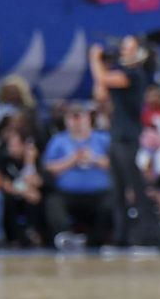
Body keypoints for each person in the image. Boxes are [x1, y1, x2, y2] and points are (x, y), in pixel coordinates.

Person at [91, 36, 156, 248]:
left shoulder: (135, 74)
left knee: (136, 188)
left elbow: (105, 79)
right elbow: (100, 93)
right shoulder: (120, 73)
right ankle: (122, 237)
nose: (123, 51)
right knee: (117, 189)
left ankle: (147, 235)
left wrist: (94, 60)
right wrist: (102, 70)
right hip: (116, 136)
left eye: (128, 48)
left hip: (129, 139)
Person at [43, 105, 113, 248]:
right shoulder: (58, 140)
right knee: (53, 202)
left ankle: (97, 239)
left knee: (111, 203)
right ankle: (66, 237)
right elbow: (49, 166)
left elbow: (115, 164)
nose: (77, 121)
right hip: (67, 193)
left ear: (88, 118)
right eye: (72, 117)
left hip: (99, 193)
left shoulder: (103, 139)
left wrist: (94, 159)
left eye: (79, 116)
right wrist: (71, 160)